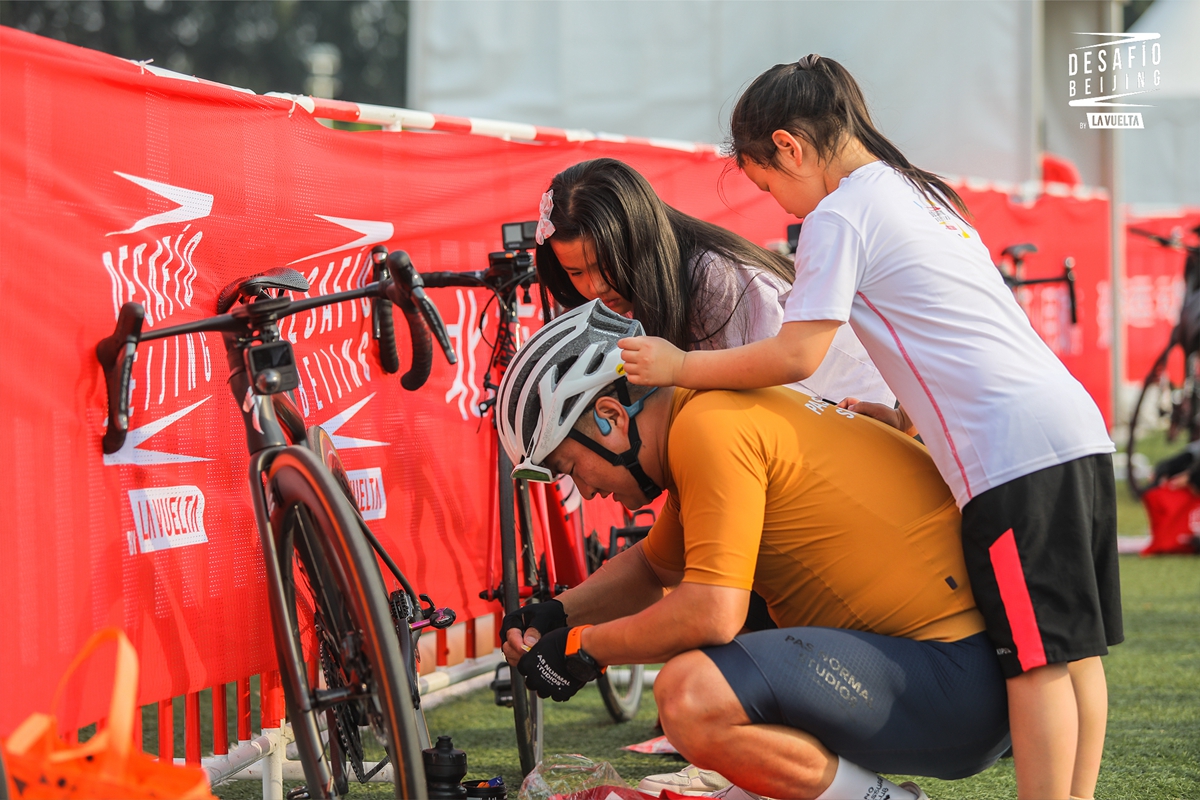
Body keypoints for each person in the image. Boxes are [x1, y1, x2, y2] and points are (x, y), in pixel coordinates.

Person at [617, 55, 1121, 800]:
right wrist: (903, 414)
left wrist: (677, 365)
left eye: (767, 183)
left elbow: (796, 354)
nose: (779, 204)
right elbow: (959, 327)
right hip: (1071, 426)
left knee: (1036, 662)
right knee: (1075, 655)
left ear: (789, 146)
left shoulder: (840, 212)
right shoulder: (924, 193)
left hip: (1008, 452)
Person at [497, 300, 1011, 800]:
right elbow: (653, 567)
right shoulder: (707, 411)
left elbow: (711, 613)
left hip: (954, 681)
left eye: (570, 469)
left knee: (691, 694)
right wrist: (559, 612)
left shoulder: (709, 427)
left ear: (610, 416)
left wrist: (584, 647)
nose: (584, 492)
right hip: (961, 674)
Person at [533, 157, 894, 406]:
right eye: (575, 273)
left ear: (638, 241)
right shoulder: (642, 298)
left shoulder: (714, 279)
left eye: (605, 265)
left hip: (862, 419)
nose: (594, 287)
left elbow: (773, 394)